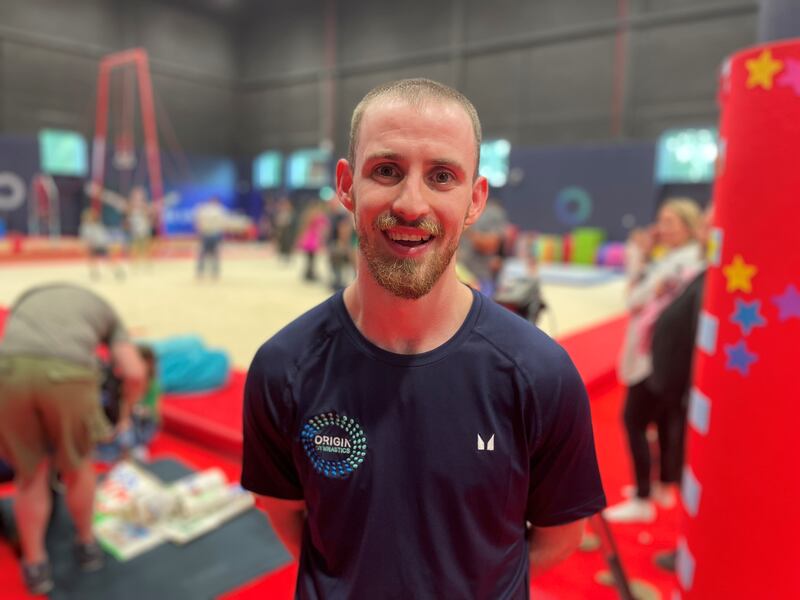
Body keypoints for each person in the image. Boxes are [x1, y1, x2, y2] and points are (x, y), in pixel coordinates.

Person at [241, 78, 606, 599]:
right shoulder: (283, 367)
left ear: (475, 198)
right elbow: (285, 515)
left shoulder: (539, 373)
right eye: (386, 171)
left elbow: (561, 537)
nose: (412, 204)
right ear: (346, 185)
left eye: (441, 176)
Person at [0, 283, 146, 594]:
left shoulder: (26, 298)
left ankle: (36, 566)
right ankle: (86, 545)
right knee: (78, 468)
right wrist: (124, 414)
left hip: (7, 372)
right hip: (68, 374)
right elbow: (134, 372)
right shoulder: (105, 311)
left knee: (30, 476)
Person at [605, 198, 705, 523]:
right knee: (662, 420)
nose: (662, 228)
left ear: (689, 228)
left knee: (633, 420)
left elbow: (635, 300)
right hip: (659, 355)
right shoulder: (675, 259)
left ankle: (642, 496)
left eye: (671, 222)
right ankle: (661, 484)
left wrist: (643, 267)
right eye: (661, 220)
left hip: (654, 357)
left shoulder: (683, 264)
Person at [458, 196, 508, 296]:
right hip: (457, 275)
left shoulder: (492, 213)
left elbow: (491, 245)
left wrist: (465, 228)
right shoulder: (459, 206)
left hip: (479, 278)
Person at [195, 196, 228, 279]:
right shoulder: (218, 210)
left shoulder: (207, 209)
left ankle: (208, 271)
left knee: (209, 253)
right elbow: (199, 221)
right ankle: (207, 271)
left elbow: (198, 221)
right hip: (210, 233)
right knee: (208, 253)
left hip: (211, 233)